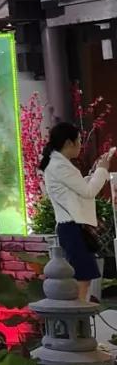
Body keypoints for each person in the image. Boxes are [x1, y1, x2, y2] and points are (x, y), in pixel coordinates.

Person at [40, 121, 116, 302]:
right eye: (79, 141)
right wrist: (102, 170)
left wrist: (96, 173)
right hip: (72, 227)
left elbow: (78, 190)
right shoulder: (60, 166)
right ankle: (79, 312)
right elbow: (88, 192)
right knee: (81, 277)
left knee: (83, 276)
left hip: (72, 226)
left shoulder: (58, 164)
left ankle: (80, 312)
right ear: (69, 143)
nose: (81, 145)